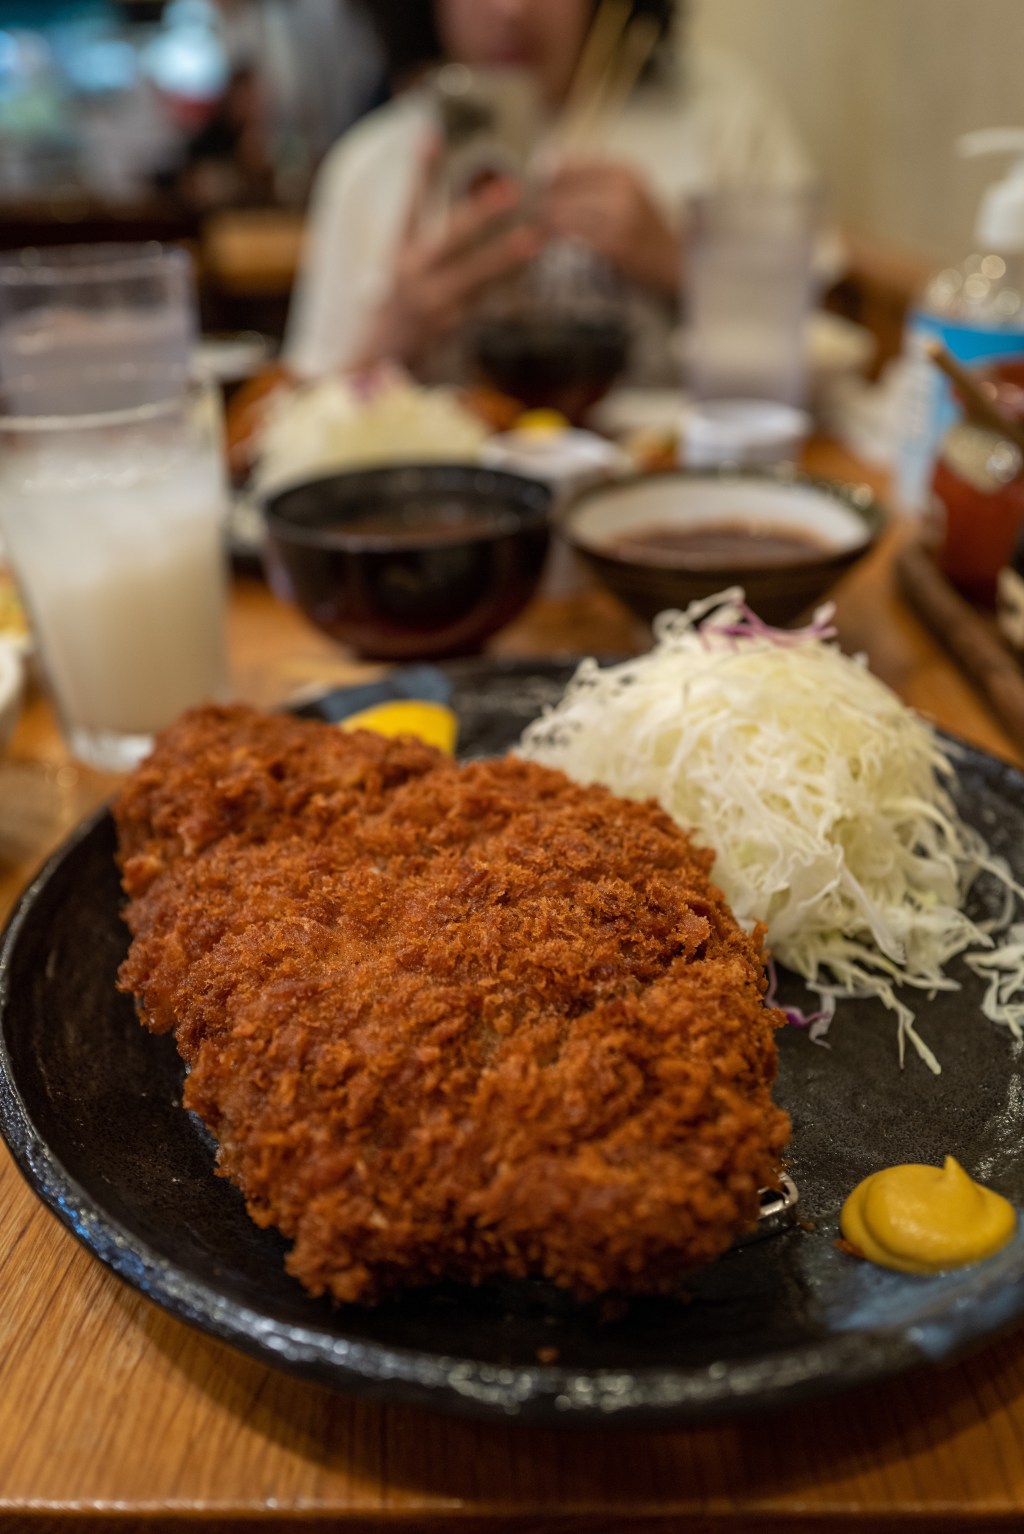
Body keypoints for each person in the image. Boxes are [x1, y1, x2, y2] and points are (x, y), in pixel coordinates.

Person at [282, 0, 820, 385]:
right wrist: (397, 334)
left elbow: (823, 351)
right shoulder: (370, 164)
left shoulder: (727, 117)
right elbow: (300, 418)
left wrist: (677, 262)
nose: (512, 8)